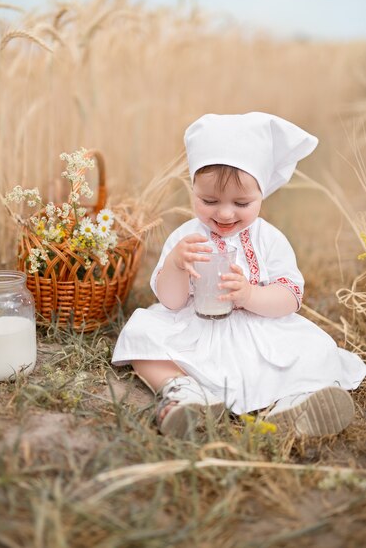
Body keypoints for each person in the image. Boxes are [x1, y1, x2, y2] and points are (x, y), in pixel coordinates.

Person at [112, 113, 366, 438]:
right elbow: (171, 302)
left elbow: (290, 298)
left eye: (242, 202)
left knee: (316, 349)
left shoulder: (269, 239)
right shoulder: (186, 237)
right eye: (209, 201)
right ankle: (182, 392)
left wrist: (249, 295)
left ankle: (296, 403)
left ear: (263, 195)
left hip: (258, 328)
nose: (225, 213)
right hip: (198, 327)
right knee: (142, 333)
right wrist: (176, 264)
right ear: (192, 190)